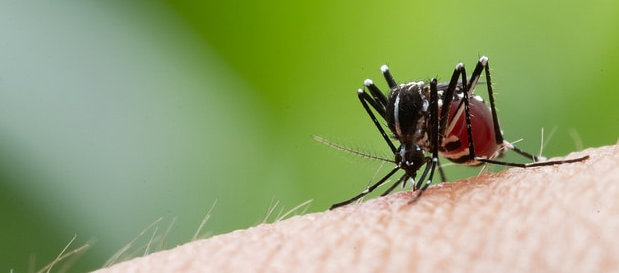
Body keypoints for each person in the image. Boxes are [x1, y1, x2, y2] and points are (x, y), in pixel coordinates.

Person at [94, 145, 617, 272]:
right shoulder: (409, 142)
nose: (408, 167)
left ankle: (526, 164)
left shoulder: (426, 141)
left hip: (454, 124)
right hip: (428, 128)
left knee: (466, 73)